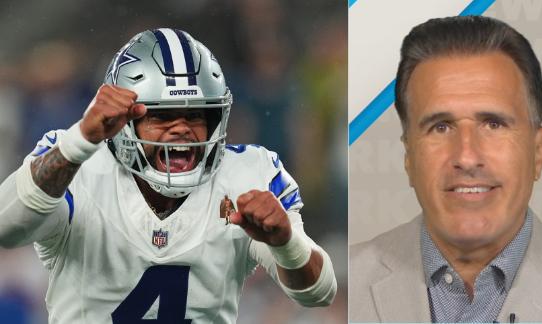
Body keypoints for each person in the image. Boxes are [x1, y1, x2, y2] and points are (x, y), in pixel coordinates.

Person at [0, 28, 336, 323]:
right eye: (162, 116)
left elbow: (318, 293)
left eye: (196, 115)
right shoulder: (78, 165)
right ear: (124, 123)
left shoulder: (247, 174)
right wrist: (78, 143)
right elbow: (5, 228)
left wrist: (285, 242)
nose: (182, 130)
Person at [350, 16, 542, 323]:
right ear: (408, 156)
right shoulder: (343, 286)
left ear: (538, 151)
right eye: (440, 127)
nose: (467, 157)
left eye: (493, 124)